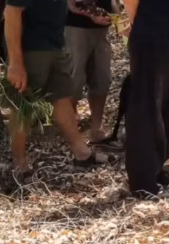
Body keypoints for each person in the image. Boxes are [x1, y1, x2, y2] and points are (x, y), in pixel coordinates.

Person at [5, 0, 110, 176]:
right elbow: (11, 13)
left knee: (60, 98)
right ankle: (19, 163)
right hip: (32, 49)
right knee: (23, 106)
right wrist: (15, 62)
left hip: (55, 45)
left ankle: (81, 153)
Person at [121, 0, 169, 196]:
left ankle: (156, 169)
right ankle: (142, 182)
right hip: (151, 35)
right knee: (147, 109)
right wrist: (139, 23)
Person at [65, 0, 118, 143]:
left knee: (102, 77)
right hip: (75, 25)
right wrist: (90, 13)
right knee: (75, 77)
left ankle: (96, 126)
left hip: (102, 27)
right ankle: (71, 124)